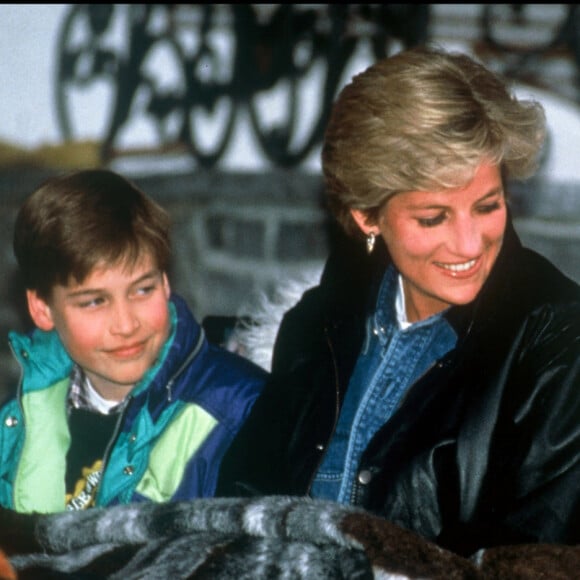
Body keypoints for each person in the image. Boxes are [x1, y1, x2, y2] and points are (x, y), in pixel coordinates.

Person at [216, 45, 580, 556]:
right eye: (433, 218)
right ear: (367, 217)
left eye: (488, 206)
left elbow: (536, 560)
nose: (470, 244)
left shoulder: (560, 345)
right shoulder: (317, 325)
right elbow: (241, 507)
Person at [0, 169, 266, 513]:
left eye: (143, 290)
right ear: (42, 309)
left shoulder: (243, 410)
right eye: (94, 301)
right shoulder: (18, 419)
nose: (126, 325)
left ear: (166, 283)